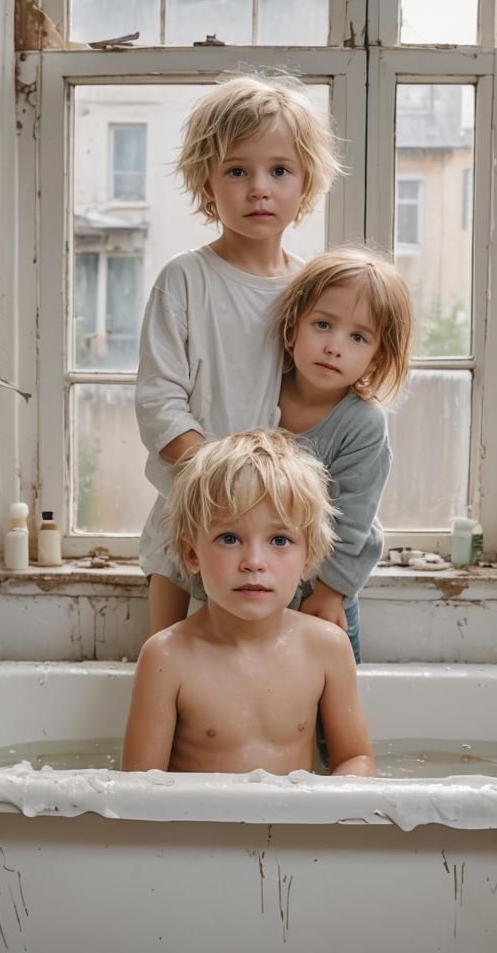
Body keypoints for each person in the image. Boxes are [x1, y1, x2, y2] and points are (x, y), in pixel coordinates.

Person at [135, 73, 341, 635]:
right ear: (207, 184)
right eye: (236, 170)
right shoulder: (184, 279)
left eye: (279, 171)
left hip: (279, 513)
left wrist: (267, 491)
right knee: (169, 655)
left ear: (306, 184)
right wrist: (215, 477)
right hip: (190, 494)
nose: (259, 188)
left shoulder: (312, 287)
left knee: (265, 665)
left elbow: (333, 385)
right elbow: (159, 398)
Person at [121, 429, 376, 777]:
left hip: (291, 827)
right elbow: (138, 790)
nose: (254, 561)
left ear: (309, 556)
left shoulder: (326, 648)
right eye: (229, 538)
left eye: (280, 540)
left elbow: (355, 758)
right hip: (202, 828)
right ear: (192, 554)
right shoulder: (167, 657)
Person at [273, 246, 415, 662]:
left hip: (324, 586)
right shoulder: (260, 391)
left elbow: (353, 522)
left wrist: (331, 592)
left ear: (376, 358)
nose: (335, 346)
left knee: (328, 709)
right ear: (291, 328)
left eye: (358, 337)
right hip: (258, 583)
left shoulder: (362, 423)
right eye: (322, 324)